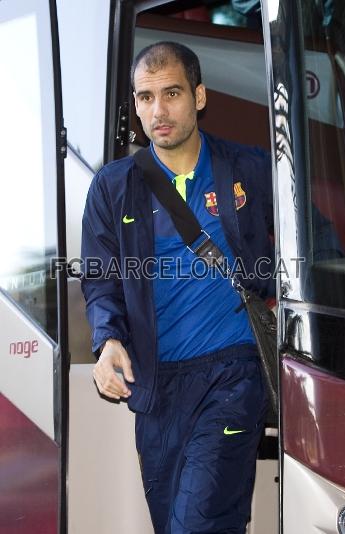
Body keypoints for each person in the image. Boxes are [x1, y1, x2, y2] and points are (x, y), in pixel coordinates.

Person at [81, 41, 274, 534]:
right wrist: (107, 342)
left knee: (197, 523)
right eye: (144, 98)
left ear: (200, 96)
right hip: (157, 386)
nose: (158, 111)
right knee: (175, 524)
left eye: (171, 93)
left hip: (233, 374)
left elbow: (313, 241)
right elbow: (100, 278)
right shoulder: (112, 186)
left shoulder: (251, 170)